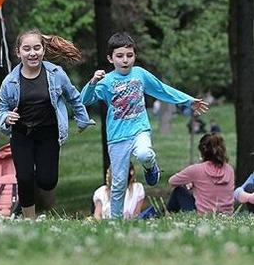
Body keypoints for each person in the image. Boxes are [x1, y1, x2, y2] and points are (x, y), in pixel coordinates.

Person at [81, 32, 209, 219]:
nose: (125, 60)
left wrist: (188, 100)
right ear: (110, 58)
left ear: (135, 56)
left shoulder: (140, 74)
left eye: (129, 55)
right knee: (118, 183)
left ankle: (151, 168)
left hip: (139, 129)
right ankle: (115, 223)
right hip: (117, 137)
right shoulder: (106, 81)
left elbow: (162, 89)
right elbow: (85, 100)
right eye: (120, 56)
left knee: (144, 153)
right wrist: (92, 82)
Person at [0, 29, 94, 219]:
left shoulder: (56, 74)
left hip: (48, 133)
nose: (32, 53)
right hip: (22, 134)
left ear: (43, 50)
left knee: (47, 181)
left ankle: (36, 180)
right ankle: (29, 219)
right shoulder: (10, 81)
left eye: (36, 48)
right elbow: (0, 108)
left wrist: (83, 119)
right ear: (18, 52)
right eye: (27, 49)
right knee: (24, 177)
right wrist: (6, 117)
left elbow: (73, 97)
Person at [167, 133, 234, 215]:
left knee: (179, 190)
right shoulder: (229, 169)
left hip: (202, 214)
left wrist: (190, 183)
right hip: (226, 214)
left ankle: (165, 214)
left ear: (202, 151)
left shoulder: (196, 169)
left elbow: (172, 181)